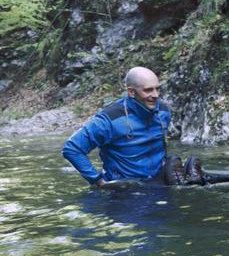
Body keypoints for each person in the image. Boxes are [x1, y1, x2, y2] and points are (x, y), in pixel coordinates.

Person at [62, 66, 201, 186]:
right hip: (125, 191)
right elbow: (72, 149)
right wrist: (98, 181)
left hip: (159, 185)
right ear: (131, 92)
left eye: (158, 89)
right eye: (148, 90)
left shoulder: (163, 112)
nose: (156, 95)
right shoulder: (108, 120)